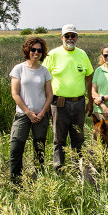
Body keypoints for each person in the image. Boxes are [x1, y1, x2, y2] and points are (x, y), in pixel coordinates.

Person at [43, 25, 93, 170]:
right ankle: (59, 169)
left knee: (78, 138)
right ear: (62, 38)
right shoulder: (53, 54)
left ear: (77, 37)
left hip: (79, 103)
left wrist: (90, 100)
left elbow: (89, 76)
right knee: (59, 139)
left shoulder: (82, 54)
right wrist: (45, 103)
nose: (70, 39)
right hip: (59, 104)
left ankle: (77, 169)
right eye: (67, 36)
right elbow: (44, 78)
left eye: (73, 36)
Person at [9, 36, 54, 183]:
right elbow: (15, 94)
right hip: (23, 114)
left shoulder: (44, 71)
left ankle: (38, 180)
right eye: (33, 49)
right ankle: (16, 182)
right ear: (28, 50)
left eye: (39, 50)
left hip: (41, 115)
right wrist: (28, 113)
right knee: (16, 148)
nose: (36, 52)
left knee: (39, 149)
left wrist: (41, 113)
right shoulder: (19, 69)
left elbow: (49, 95)